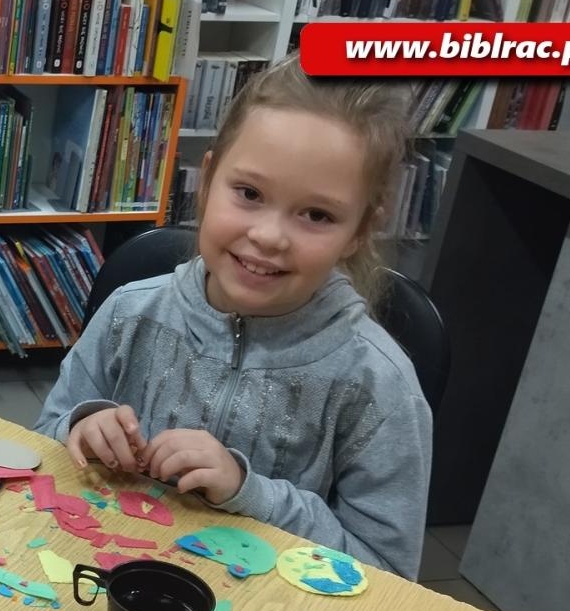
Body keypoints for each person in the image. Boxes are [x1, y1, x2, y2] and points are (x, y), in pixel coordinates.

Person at [34, 56, 432, 579]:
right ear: (208, 179)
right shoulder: (131, 312)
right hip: (108, 581)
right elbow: (45, 435)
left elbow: (387, 573)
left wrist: (251, 495)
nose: (269, 236)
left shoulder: (377, 384)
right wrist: (81, 426)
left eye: (317, 215)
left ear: (359, 231)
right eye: (249, 194)